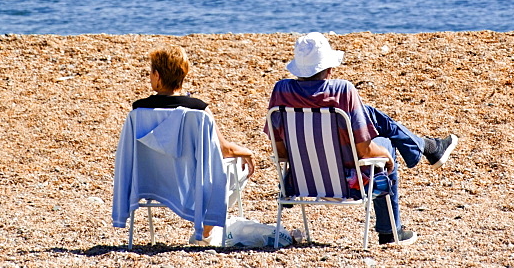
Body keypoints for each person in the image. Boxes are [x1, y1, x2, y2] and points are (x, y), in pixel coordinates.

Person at [265, 32, 458, 246]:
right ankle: (390, 231)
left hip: (301, 182)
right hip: (349, 183)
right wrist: (387, 155)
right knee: (386, 141)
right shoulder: (342, 91)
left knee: (368, 112)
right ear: (329, 69)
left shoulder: (281, 92)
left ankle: (427, 147)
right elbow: (365, 152)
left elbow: (281, 152)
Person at [131, 45, 255, 244]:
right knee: (236, 168)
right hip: (192, 185)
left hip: (151, 183)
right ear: (183, 75)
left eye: (151, 73)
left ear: (157, 76)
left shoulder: (138, 111)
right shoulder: (198, 110)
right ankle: (205, 233)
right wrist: (246, 151)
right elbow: (224, 150)